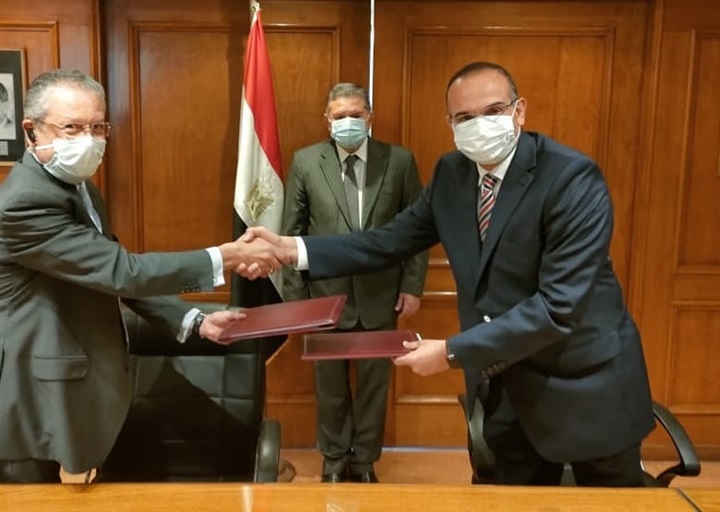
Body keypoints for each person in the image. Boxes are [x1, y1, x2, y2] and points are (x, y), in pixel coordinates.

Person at [240, 61, 656, 487]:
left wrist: (451, 352)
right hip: (503, 389)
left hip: (583, 387)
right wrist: (292, 249)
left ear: (519, 111)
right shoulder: (451, 174)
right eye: (465, 117)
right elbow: (387, 242)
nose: (480, 125)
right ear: (451, 124)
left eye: (493, 111)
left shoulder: (571, 178)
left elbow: (558, 307)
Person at [0, 69, 282, 483]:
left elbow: (106, 270)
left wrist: (194, 320)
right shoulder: (25, 202)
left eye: (98, 127)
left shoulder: (78, 187)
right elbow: (122, 272)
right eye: (72, 127)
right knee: (29, 499)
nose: (89, 140)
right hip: (28, 393)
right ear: (31, 131)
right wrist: (227, 256)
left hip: (68, 382)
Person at [282, 83, 428, 483]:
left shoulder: (399, 161)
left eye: (356, 114)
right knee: (329, 387)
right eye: (340, 115)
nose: (348, 121)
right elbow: (291, 235)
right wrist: (295, 302)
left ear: (370, 117)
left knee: (374, 386)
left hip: (381, 296)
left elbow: (418, 229)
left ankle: (364, 461)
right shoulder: (306, 162)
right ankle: (333, 460)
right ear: (327, 120)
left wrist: (413, 285)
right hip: (324, 299)